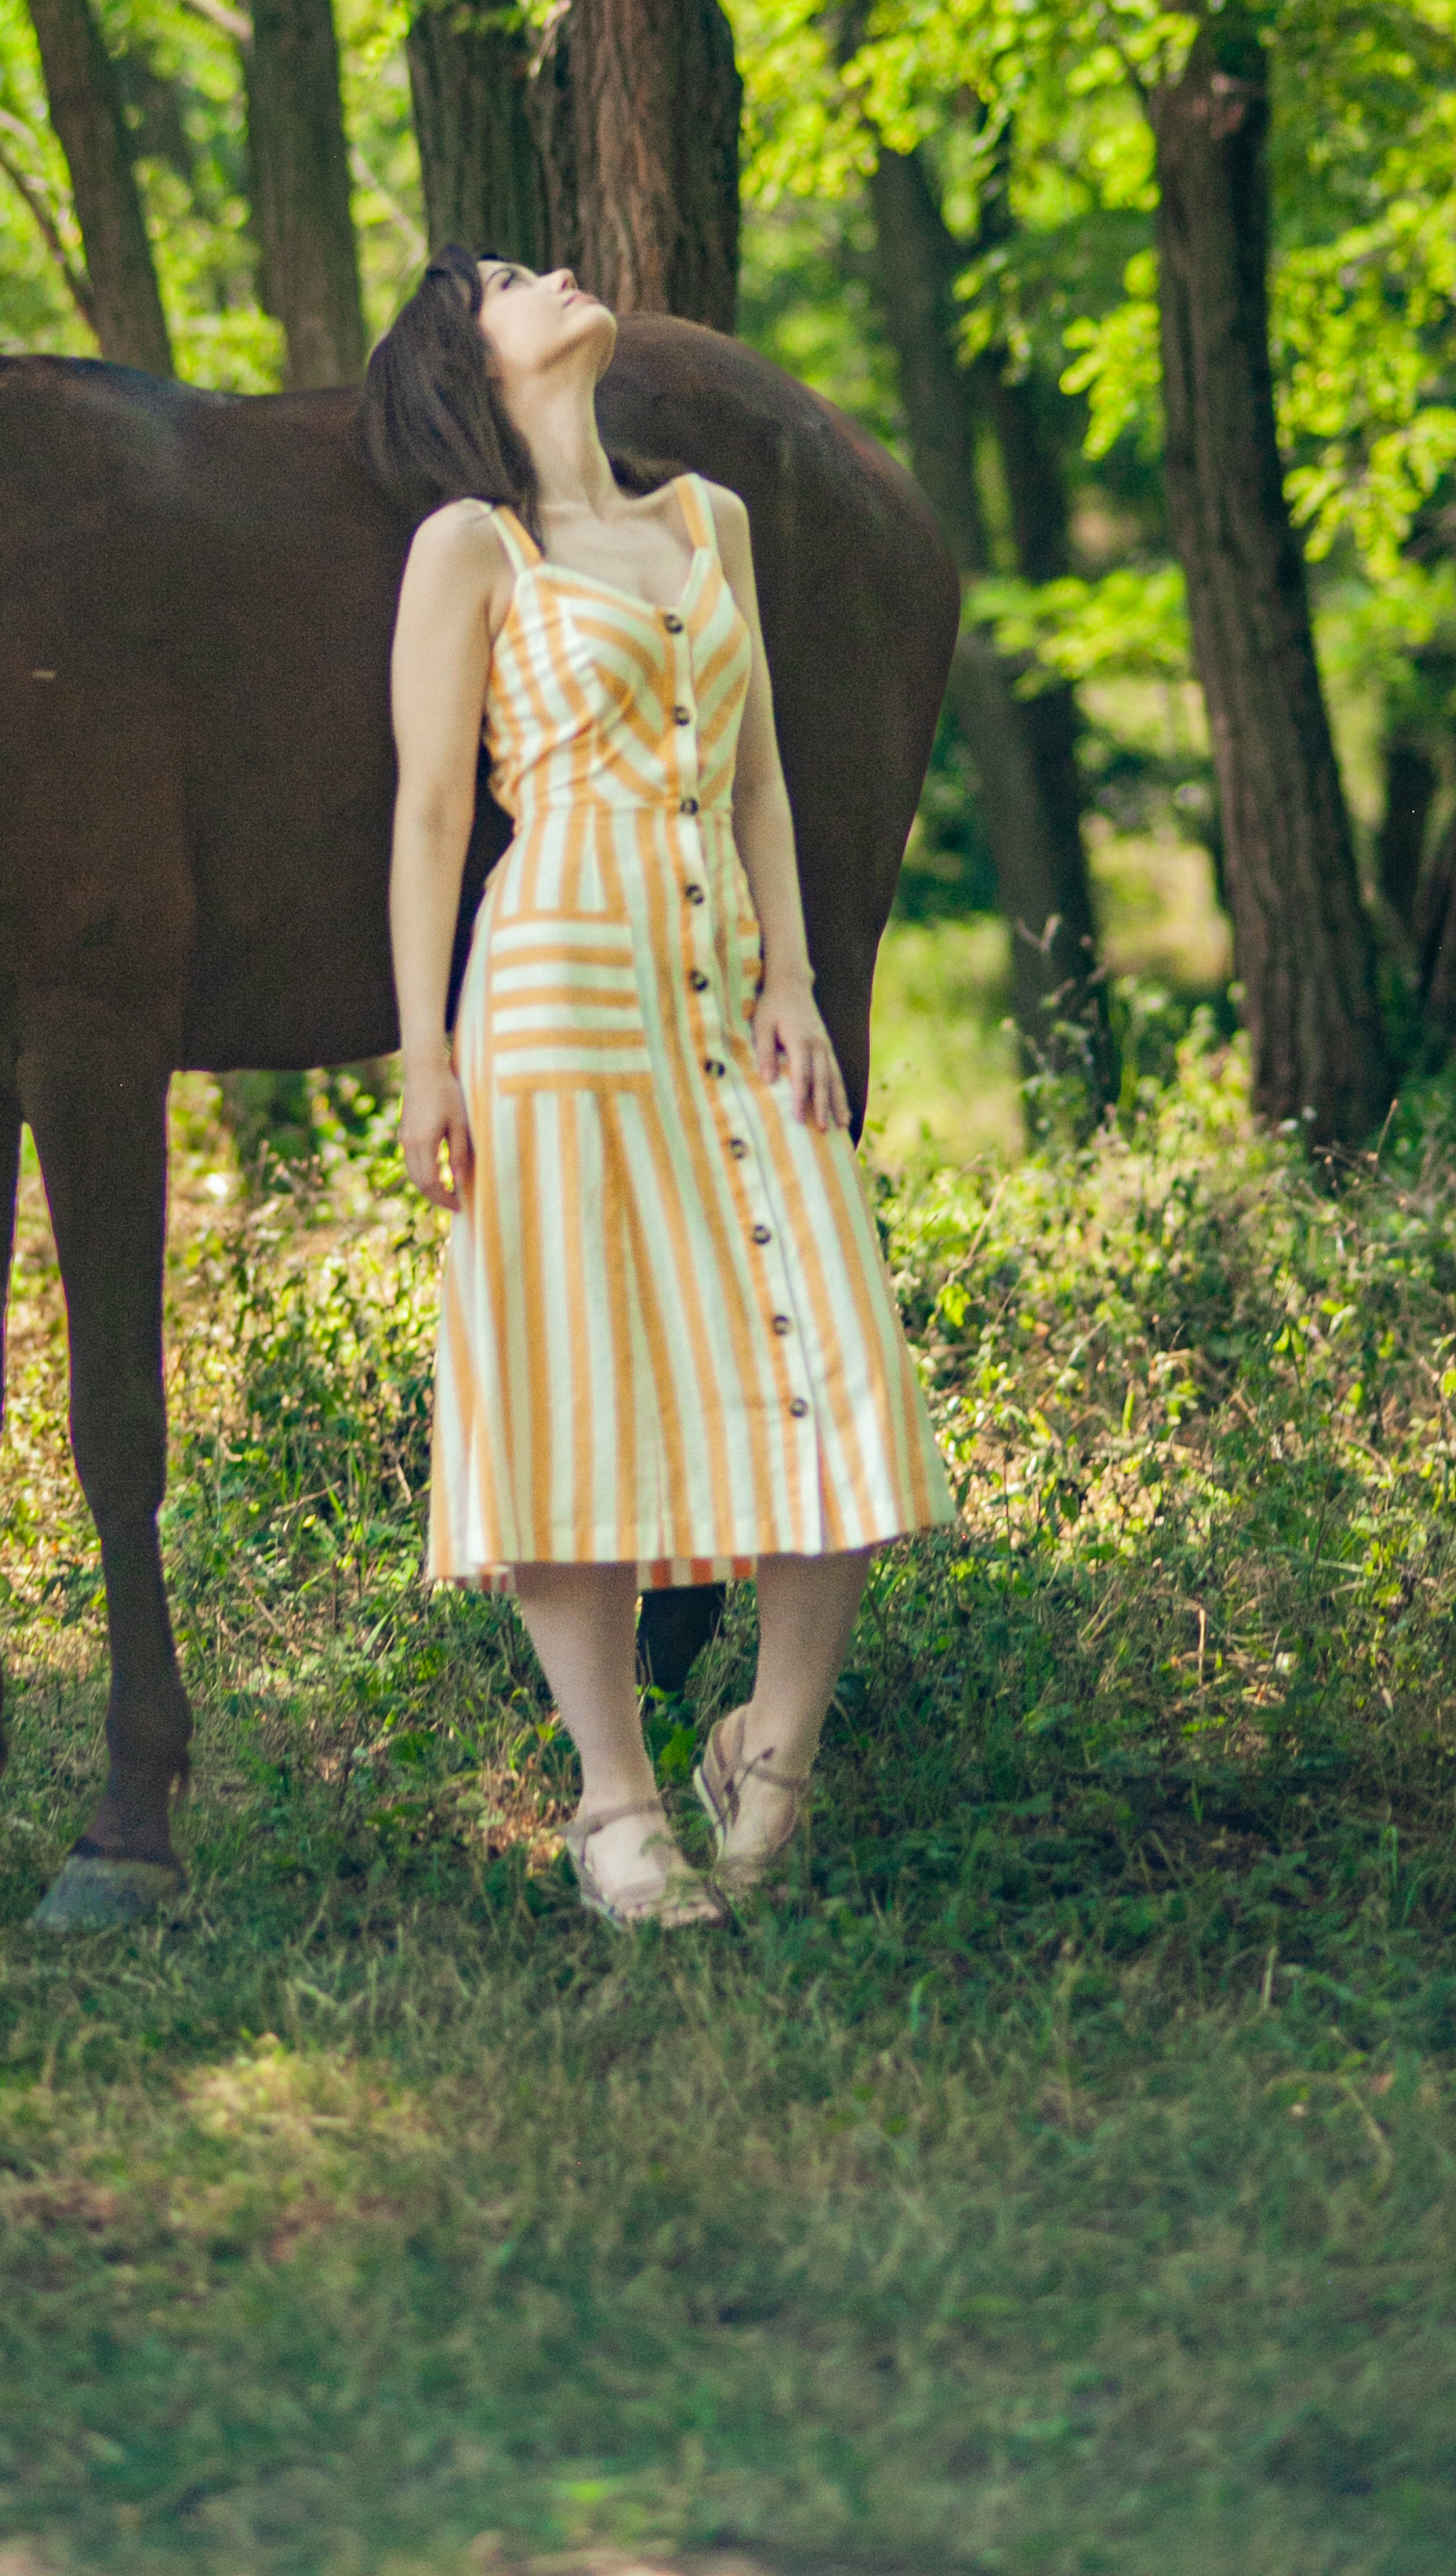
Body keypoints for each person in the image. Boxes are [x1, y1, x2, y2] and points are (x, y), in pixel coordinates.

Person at [363, 248, 955, 1931]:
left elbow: (760, 771)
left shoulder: (713, 522)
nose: (552, 274)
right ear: (465, 363)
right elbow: (426, 819)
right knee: (569, 1382)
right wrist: (427, 1057)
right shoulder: (466, 552)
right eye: (505, 277)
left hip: (722, 994)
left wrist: (795, 980)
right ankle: (614, 1801)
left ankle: (771, 1761)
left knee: (830, 1340)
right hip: (551, 986)